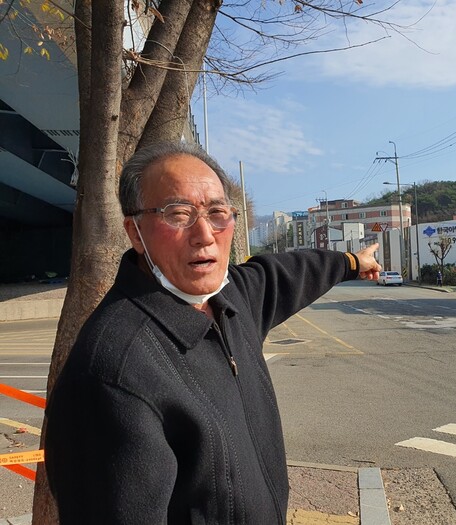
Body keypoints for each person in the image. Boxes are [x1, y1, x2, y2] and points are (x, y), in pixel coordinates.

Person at [44, 141, 382, 525]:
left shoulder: (230, 297)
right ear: (136, 232)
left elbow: (288, 272)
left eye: (218, 213)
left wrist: (352, 262)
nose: (205, 234)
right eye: (178, 214)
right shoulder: (110, 375)